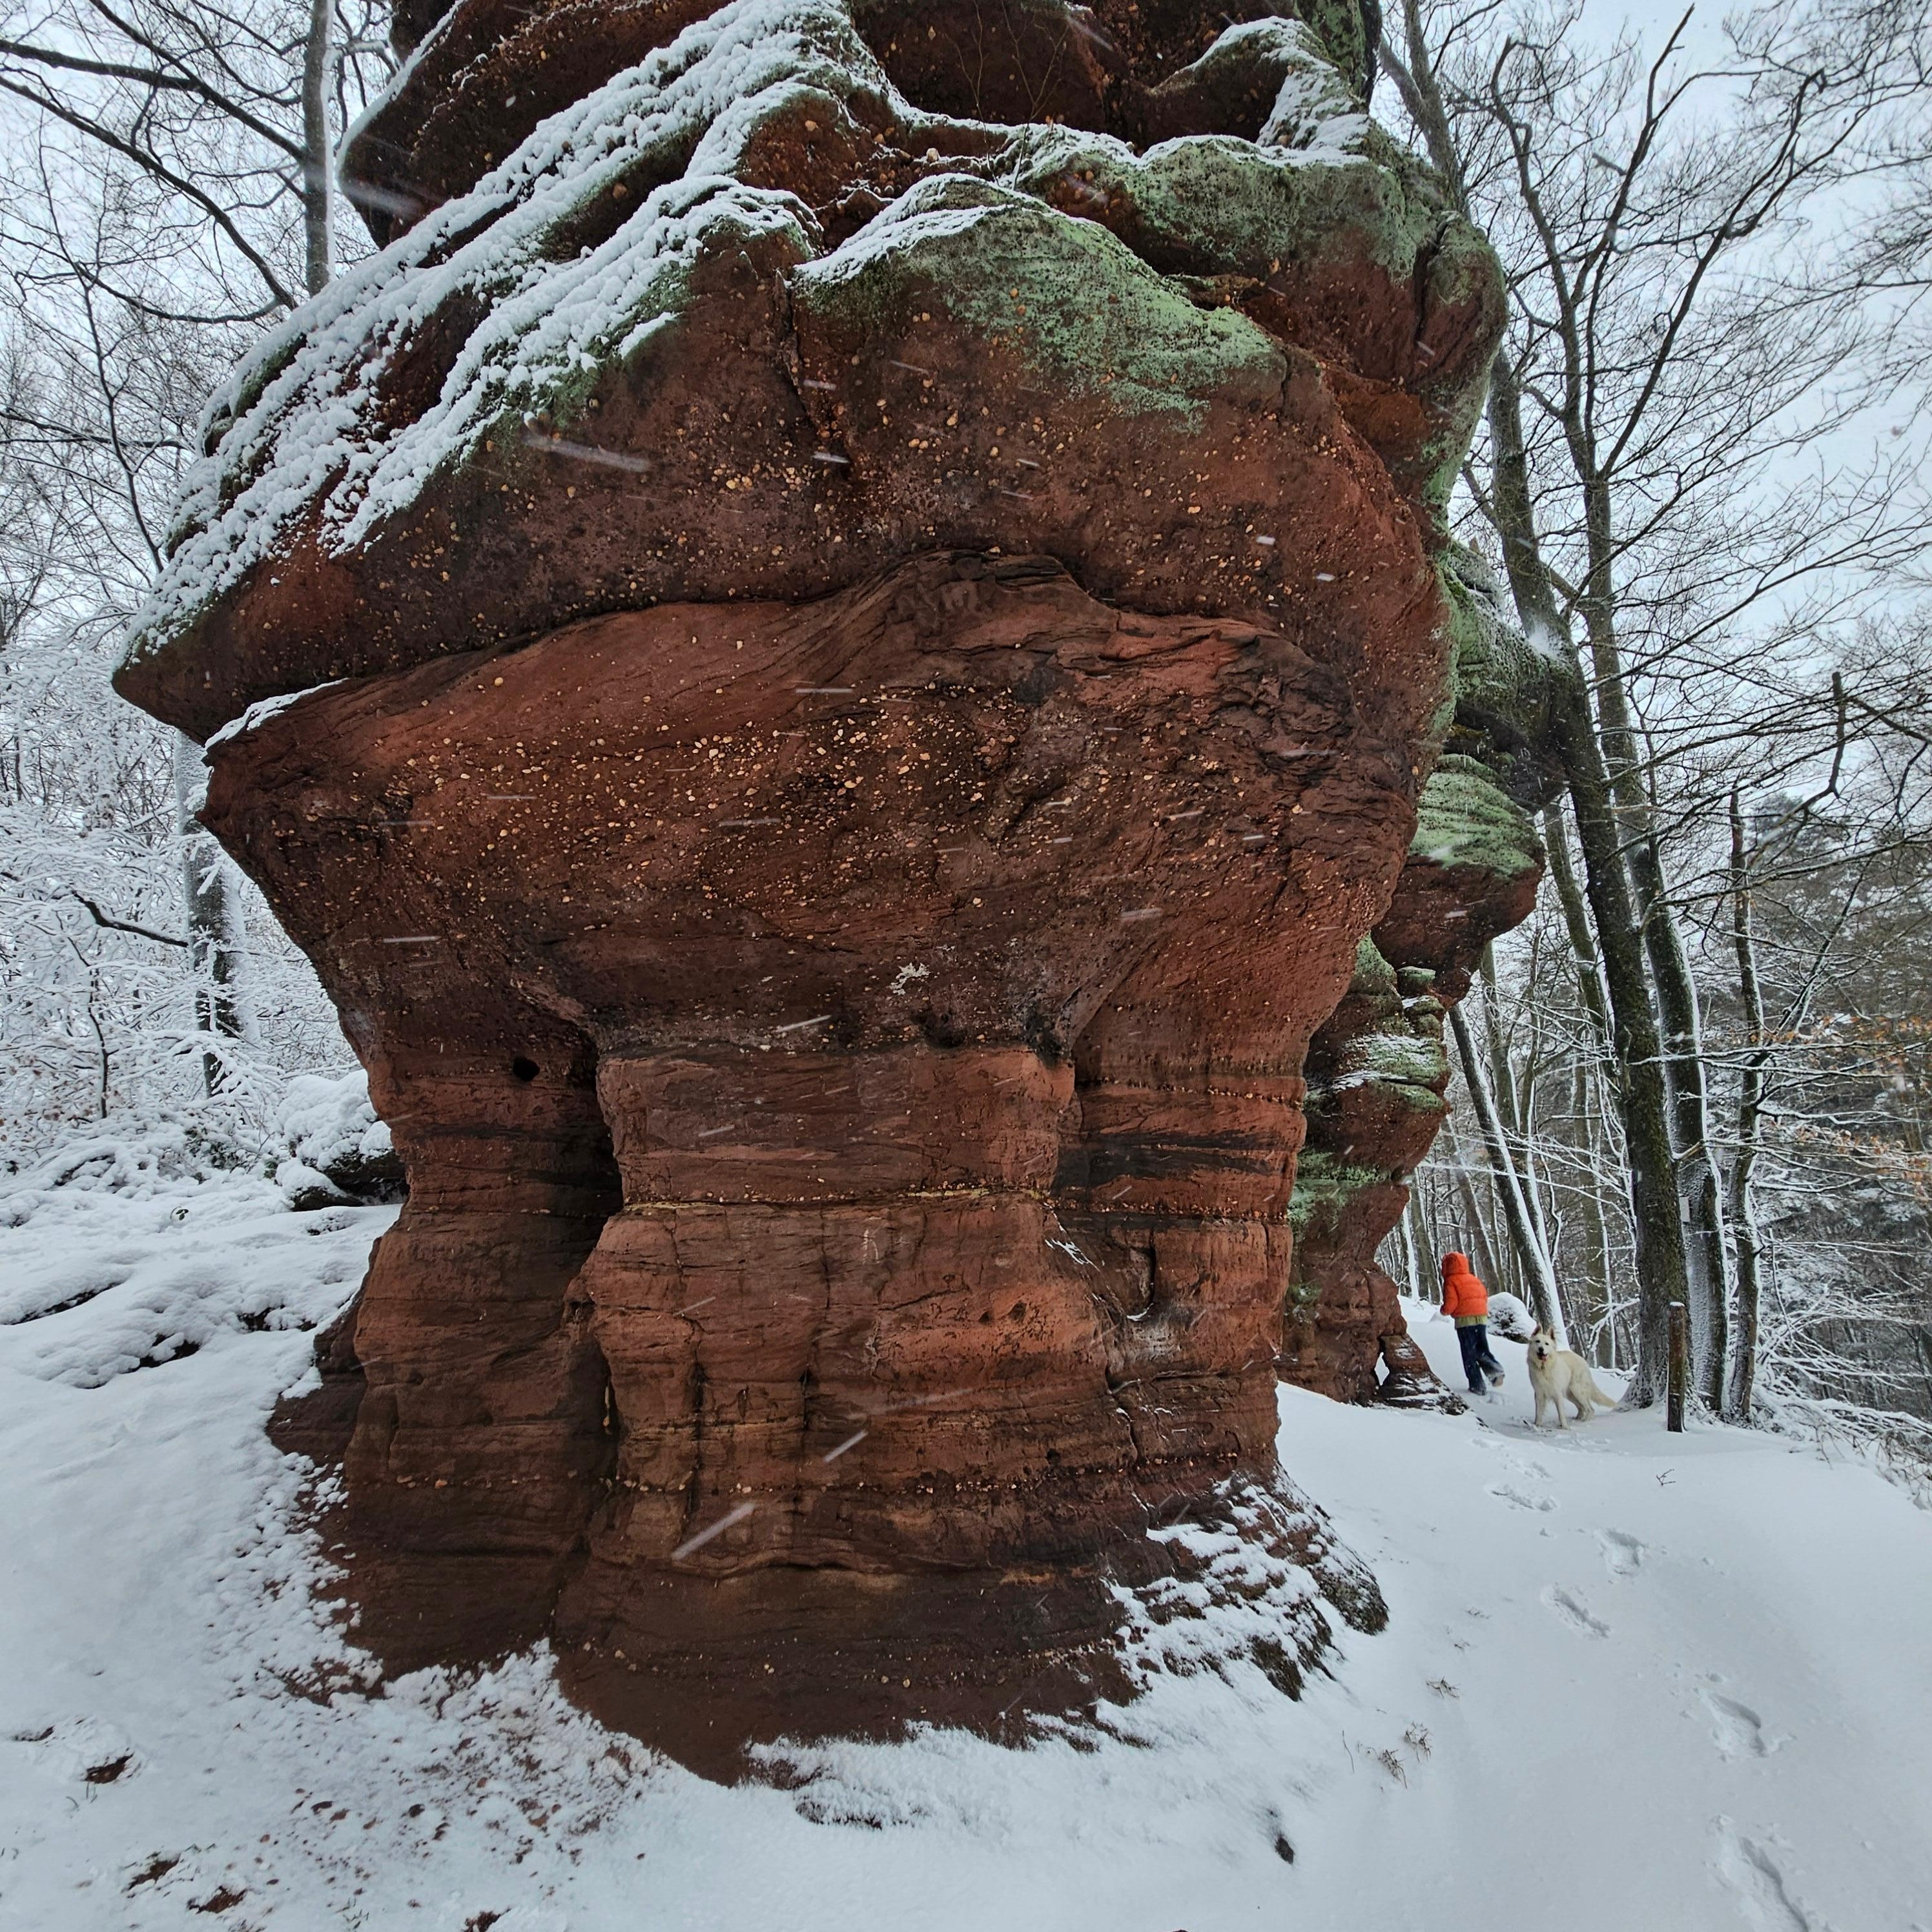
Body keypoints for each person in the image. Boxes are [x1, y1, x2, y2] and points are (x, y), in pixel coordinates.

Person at [1441, 1251, 1506, 1397]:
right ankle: (1495, 1371)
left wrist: (1444, 1311)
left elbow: (1451, 1303)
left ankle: (1477, 1385)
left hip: (1465, 1321)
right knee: (1481, 1348)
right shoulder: (1473, 1279)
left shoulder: (1451, 1281)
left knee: (1469, 1354)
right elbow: (1484, 1296)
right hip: (1481, 1318)